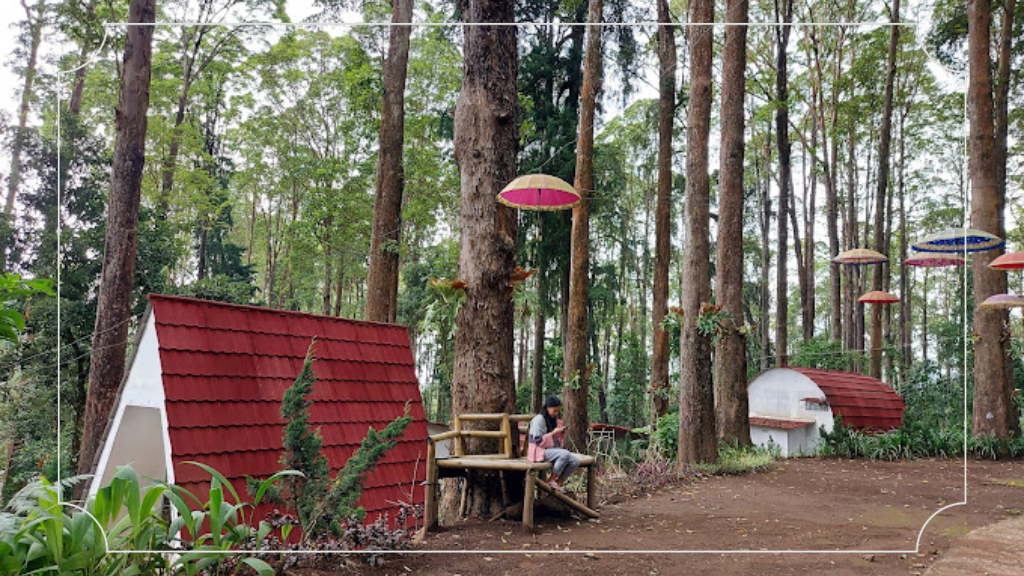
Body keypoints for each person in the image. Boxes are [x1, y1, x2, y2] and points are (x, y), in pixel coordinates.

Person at [527, 396, 580, 493]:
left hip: (548, 450)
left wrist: (559, 434)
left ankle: (558, 483)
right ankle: (551, 480)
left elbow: (554, 442)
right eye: (555, 410)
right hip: (538, 451)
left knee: (575, 461)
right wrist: (553, 434)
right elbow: (537, 441)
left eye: (558, 411)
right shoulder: (539, 419)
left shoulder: (552, 419)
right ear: (547, 407)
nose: (556, 413)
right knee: (565, 454)